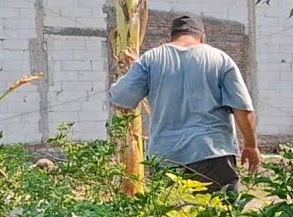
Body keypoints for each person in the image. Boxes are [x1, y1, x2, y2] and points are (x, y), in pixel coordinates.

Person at [109, 14, 261, 193]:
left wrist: (130, 70)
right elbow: (242, 109)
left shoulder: (151, 59)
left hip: (167, 158)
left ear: (171, 37)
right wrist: (251, 146)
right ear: (202, 37)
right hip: (213, 154)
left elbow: (119, 100)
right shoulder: (220, 59)